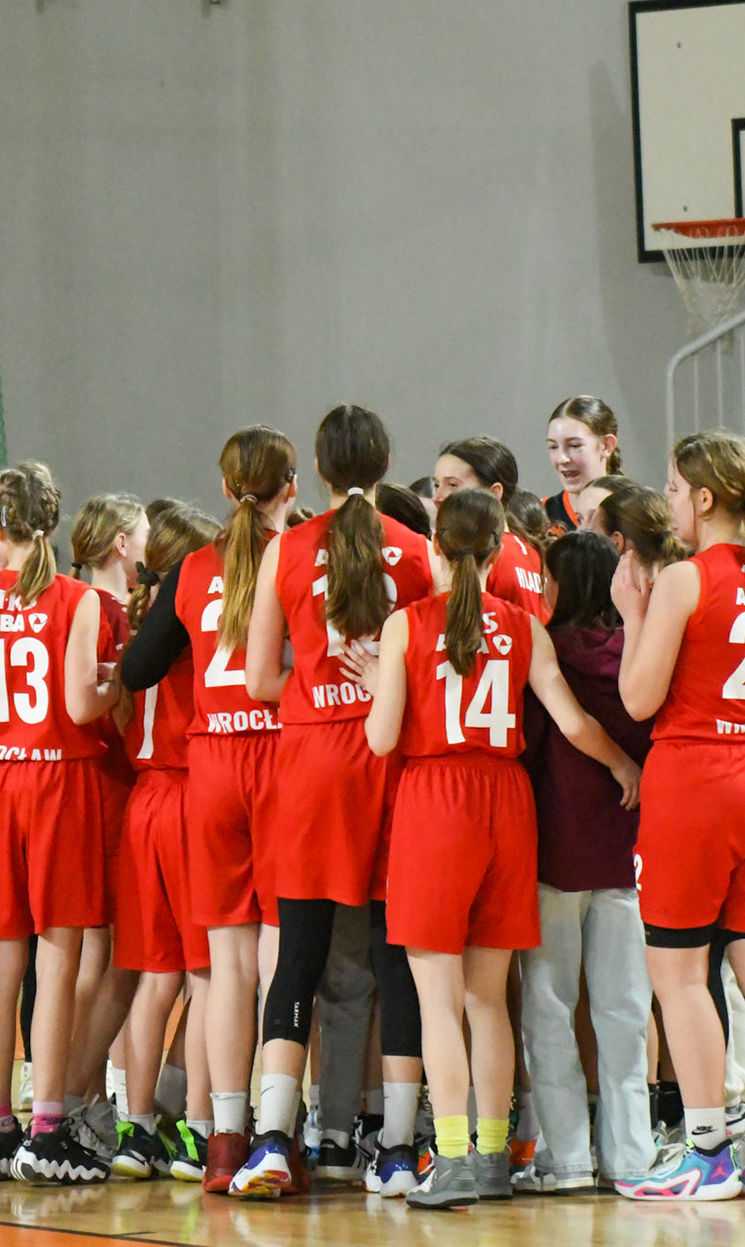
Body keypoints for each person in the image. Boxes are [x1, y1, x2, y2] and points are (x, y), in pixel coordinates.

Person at [350, 489, 638, 1211]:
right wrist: (624, 765)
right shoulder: (524, 625)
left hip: (435, 802)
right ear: (499, 547)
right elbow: (573, 723)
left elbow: (381, 740)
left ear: (434, 548)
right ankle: (490, 1158)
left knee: (438, 1002)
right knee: (487, 1001)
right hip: (506, 803)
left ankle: (448, 1159)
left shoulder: (406, 625)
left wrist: (379, 686)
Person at [610, 431, 745, 1202]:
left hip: (703, 776)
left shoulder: (684, 578)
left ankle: (706, 1154)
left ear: (704, 499)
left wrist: (632, 613)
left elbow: (639, 700)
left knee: (677, 971)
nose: (668, 502)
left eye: (673, 489)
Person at [235, 406, 433, 1199]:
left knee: (298, 957)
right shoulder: (417, 550)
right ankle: (397, 1148)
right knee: (396, 955)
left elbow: (259, 679)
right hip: (390, 759)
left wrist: (316, 688)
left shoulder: (284, 548)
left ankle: (271, 1140)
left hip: (311, 761)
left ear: (315, 470)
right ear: (386, 463)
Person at [119, 425, 296, 1194]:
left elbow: (137, 668)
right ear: (292, 487)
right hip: (283, 759)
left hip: (212, 768)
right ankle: (279, 1133)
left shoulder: (193, 567)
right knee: (282, 957)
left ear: (225, 490)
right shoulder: (300, 554)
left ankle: (222, 1140)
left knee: (224, 968)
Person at [0, 463, 121, 1186]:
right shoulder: (78, 599)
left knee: (3, 962)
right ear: (52, 525)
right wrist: (120, 679)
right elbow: (82, 706)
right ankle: (48, 1130)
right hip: (58, 777)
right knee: (58, 961)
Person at [516, 530, 655, 1194]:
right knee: (625, 1014)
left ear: (561, 585)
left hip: (555, 854)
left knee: (549, 1008)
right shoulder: (637, 653)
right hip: (625, 854)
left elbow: (529, 742)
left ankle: (566, 1159)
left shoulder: (546, 652)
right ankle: (631, 1157)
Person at [109, 499, 220, 1181]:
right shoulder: (189, 632)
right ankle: (201, 1130)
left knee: (156, 979)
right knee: (208, 977)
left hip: (142, 801)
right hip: (187, 795)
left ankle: (136, 1126)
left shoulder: (135, 627)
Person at [61, 492, 147, 1151]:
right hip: (112, 784)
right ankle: (75, 1097)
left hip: (81, 786)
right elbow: (104, 708)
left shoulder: (68, 601)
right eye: (142, 532)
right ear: (121, 542)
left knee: (95, 952)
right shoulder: (107, 610)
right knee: (117, 957)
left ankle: (78, 1098)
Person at [432, 436, 549, 620]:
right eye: (436, 485)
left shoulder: (484, 552)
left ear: (494, 493)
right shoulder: (531, 551)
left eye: (453, 485)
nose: (438, 497)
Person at [543, 397, 624, 531]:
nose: (562, 459)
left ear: (607, 445)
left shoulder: (637, 513)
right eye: (553, 447)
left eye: (574, 445)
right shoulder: (541, 516)